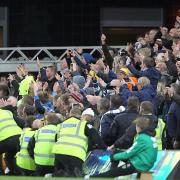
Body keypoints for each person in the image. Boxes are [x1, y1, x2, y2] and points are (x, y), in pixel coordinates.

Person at [90, 116, 157, 178]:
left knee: (114, 164)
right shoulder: (150, 137)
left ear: (138, 127)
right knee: (116, 152)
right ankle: (112, 173)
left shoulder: (142, 138)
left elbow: (128, 153)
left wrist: (114, 157)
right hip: (145, 162)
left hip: (139, 165)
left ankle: (92, 177)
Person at [52, 107, 106, 177]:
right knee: (75, 176)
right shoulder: (84, 124)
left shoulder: (60, 125)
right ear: (80, 116)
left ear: (69, 114)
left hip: (59, 153)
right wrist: (103, 148)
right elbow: (95, 136)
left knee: (58, 176)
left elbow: (56, 139)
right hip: (75, 154)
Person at [0, 109, 22, 175]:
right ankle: (15, 173)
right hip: (20, 137)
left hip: (5, 140)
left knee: (9, 156)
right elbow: (22, 123)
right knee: (9, 156)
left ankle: (2, 173)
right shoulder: (7, 111)